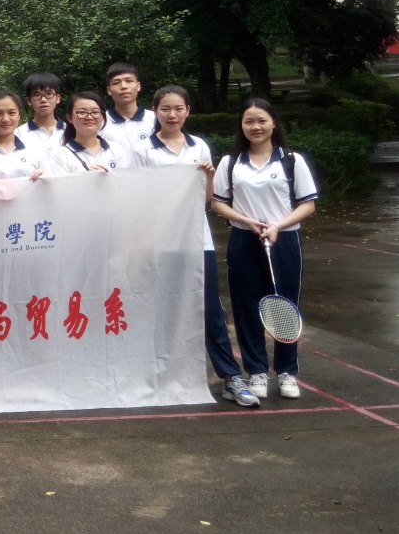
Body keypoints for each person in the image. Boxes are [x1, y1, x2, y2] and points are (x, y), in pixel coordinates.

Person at [130, 87, 258, 407]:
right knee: (159, 307)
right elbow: (136, 198)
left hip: (197, 239)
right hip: (159, 241)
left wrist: (209, 177)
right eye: (165, 109)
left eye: (178, 108)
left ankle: (231, 377)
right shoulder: (142, 149)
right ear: (155, 111)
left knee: (210, 308)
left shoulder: (198, 146)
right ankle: (156, 377)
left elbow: (206, 199)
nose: (172, 115)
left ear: (188, 110)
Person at [211, 98, 317, 400]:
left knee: (286, 305)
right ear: (241, 126)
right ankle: (256, 370)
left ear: (273, 123)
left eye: (261, 121)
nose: (255, 127)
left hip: (284, 240)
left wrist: (278, 226)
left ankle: (287, 372)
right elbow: (218, 203)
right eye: (249, 121)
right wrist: (246, 220)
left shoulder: (292, 161)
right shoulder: (231, 161)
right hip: (245, 240)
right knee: (246, 307)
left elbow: (308, 204)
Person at [47, 92, 128, 175]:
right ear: (70, 118)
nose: (89, 117)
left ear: (103, 116)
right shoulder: (60, 155)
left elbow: (124, 181)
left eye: (95, 112)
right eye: (82, 112)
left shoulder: (116, 150)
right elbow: (61, 184)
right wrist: (89, 178)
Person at [99, 63, 156, 152]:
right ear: (109, 90)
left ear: (138, 86)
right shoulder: (99, 122)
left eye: (129, 81)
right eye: (116, 83)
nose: (123, 86)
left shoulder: (155, 119)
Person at [15, 72, 67, 156]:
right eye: (37, 95)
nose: (43, 100)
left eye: (49, 94)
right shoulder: (18, 134)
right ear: (29, 101)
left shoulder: (70, 131)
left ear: (57, 98)